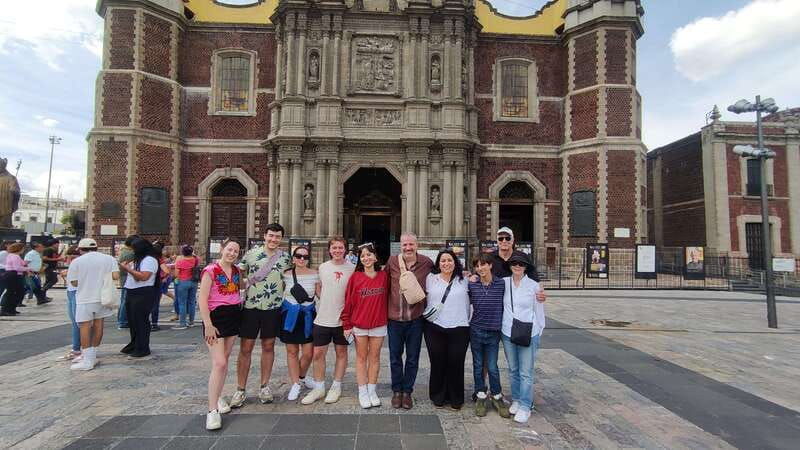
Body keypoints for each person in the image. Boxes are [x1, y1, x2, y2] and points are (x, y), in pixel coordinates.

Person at [232, 223, 291, 408]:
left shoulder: (285, 258)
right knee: (246, 347)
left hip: (273, 307)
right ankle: (240, 389)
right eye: (271, 235)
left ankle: (264, 386)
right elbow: (237, 274)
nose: (274, 239)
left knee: (268, 345)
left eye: (277, 237)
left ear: (281, 239)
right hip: (251, 306)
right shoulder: (251, 254)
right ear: (264, 236)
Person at [302, 237, 355, 405]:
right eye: (334, 248)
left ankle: (336, 386)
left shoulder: (353, 269)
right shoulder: (323, 268)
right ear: (329, 250)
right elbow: (318, 287)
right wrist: (324, 300)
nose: (337, 250)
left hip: (342, 320)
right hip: (323, 318)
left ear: (345, 249)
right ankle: (319, 387)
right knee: (318, 354)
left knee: (341, 353)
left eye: (340, 247)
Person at [383, 232, 433, 409]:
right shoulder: (392, 262)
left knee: (413, 358)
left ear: (417, 245)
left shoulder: (426, 263)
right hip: (395, 319)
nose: (408, 248)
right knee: (395, 357)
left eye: (411, 244)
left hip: (415, 319)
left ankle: (407, 392)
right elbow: (383, 283)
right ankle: (397, 391)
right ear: (400, 246)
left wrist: (465, 275)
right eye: (405, 245)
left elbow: (443, 275)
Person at [198, 239, 243, 431]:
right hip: (215, 317)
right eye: (229, 249)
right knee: (220, 363)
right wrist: (208, 324)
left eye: (236, 251)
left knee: (223, 361)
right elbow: (202, 298)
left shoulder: (237, 271)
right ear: (222, 250)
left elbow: (241, 288)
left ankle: (219, 397)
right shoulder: (210, 270)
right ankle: (212, 411)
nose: (232, 253)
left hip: (233, 315)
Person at [342, 243, 388, 409]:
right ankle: (362, 391)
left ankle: (372, 390)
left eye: (369, 255)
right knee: (361, 358)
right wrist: (346, 322)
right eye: (363, 256)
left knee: (374, 358)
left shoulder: (384, 276)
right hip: (360, 324)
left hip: (378, 324)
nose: (366, 258)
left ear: (375, 257)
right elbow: (348, 301)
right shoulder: (355, 277)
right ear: (359, 260)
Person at [502, 253, 546, 423]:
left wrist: (539, 330)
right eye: (514, 263)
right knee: (513, 369)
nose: (517, 266)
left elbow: (539, 310)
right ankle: (517, 399)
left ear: (526, 267)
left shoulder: (534, 286)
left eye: (521, 264)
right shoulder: (504, 283)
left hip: (529, 331)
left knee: (526, 371)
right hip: (507, 331)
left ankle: (526, 405)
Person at [424, 249, 471, 410]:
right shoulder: (430, 279)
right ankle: (438, 395)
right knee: (437, 362)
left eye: (449, 260)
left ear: (455, 262)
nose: (446, 263)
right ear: (438, 264)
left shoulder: (465, 279)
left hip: (460, 327)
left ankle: (456, 397)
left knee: (456, 362)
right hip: (435, 327)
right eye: (443, 261)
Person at [66, 238, 120, 371]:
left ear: (80, 249)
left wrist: (86, 281)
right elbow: (116, 276)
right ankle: (93, 355)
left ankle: (87, 360)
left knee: (84, 326)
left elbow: (73, 282)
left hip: (85, 297)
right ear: (96, 247)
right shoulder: (109, 259)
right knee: (99, 324)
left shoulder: (77, 261)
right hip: (102, 297)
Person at [468, 253, 510, 418]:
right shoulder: (472, 285)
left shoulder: (501, 284)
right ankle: (480, 395)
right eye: (477, 266)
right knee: (478, 365)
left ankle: (497, 395)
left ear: (490, 265)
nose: (480, 268)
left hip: (493, 331)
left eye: (483, 265)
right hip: (476, 330)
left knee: (492, 366)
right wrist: (468, 276)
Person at [280, 245, 320, 401]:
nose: (302, 259)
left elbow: (320, 293)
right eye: (298, 256)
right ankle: (295, 383)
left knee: (309, 353)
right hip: (290, 315)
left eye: (305, 256)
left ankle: (301, 376)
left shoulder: (315, 274)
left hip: (308, 315)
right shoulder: (286, 275)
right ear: (293, 258)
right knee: (292, 352)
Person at [118, 238, 159, 358]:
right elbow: (136, 277)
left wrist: (128, 269)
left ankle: (143, 347)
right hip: (132, 290)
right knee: (133, 320)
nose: (132, 252)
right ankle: (134, 343)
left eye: (134, 249)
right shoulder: (138, 260)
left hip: (143, 292)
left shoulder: (149, 260)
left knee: (141, 321)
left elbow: (144, 277)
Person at [0, 243, 34, 316]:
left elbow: (22, 263)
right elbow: (17, 268)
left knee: (16, 292)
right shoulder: (15, 256)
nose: (23, 250)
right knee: (13, 292)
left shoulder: (12, 255)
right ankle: (6, 309)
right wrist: (28, 268)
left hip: (13, 275)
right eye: (23, 248)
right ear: (19, 249)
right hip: (13, 275)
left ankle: (11, 308)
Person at [172, 245, 200, 330]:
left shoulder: (180, 262)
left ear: (182, 252)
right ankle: (191, 322)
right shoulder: (195, 260)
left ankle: (182, 323)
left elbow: (176, 275)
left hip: (183, 283)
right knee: (192, 302)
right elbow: (197, 257)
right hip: (194, 282)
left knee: (182, 303)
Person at [116, 235, 138, 329]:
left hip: (124, 277)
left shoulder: (124, 250)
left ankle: (121, 320)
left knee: (123, 300)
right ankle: (123, 321)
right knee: (126, 301)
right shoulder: (130, 253)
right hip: (127, 278)